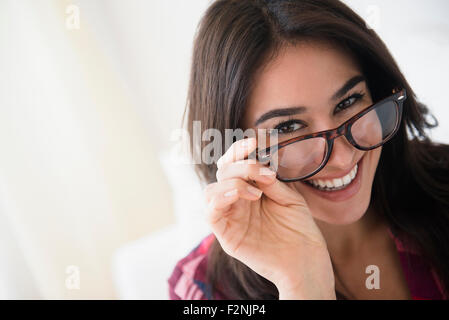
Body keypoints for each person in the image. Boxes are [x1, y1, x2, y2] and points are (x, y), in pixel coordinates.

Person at [168, 0, 449, 300]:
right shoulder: (202, 288)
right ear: (236, 149)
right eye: (288, 128)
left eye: (348, 102)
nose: (342, 158)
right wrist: (302, 284)